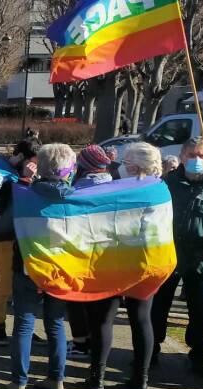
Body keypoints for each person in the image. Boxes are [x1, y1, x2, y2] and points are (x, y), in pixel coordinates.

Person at [79, 142, 164, 389]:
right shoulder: (161, 189)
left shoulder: (118, 190)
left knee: (103, 319)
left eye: (125, 163)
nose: (121, 167)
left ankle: (97, 378)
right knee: (141, 319)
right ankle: (141, 380)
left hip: (115, 261)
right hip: (146, 262)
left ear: (136, 166)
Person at [150, 137, 203, 376]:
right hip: (169, 255)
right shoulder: (167, 183)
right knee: (159, 305)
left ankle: (198, 354)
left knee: (200, 309)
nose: (195, 160)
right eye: (190, 155)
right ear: (182, 156)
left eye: (200, 156)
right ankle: (152, 348)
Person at [2, 144, 68, 389]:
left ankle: (19, 382)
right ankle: (57, 378)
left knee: (24, 325)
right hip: (61, 268)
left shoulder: (25, 192)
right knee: (56, 324)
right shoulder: (75, 196)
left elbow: (5, 222)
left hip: (28, 266)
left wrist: (24, 180)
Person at [0, 140, 39, 346]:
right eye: (34, 162)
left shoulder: (22, 173)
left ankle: (24, 327)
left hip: (24, 235)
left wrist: (31, 180)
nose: (36, 166)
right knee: (5, 283)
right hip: (4, 235)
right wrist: (24, 179)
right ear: (23, 158)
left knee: (24, 285)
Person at [66, 144, 115, 359]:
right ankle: (97, 344)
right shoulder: (115, 186)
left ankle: (80, 342)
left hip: (81, 252)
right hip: (107, 254)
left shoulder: (78, 190)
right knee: (99, 306)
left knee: (76, 299)